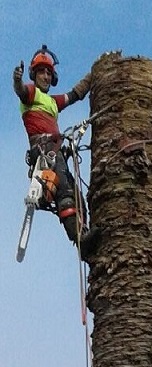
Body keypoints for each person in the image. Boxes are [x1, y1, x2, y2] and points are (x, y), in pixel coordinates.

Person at [12, 45, 98, 259]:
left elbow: (75, 95)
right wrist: (17, 79)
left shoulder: (52, 102)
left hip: (56, 151)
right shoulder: (32, 93)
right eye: (42, 72)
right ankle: (79, 237)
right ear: (34, 74)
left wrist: (95, 73)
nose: (46, 76)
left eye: (49, 73)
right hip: (45, 150)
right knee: (65, 192)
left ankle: (84, 238)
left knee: (77, 196)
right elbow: (21, 91)